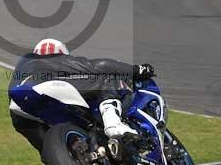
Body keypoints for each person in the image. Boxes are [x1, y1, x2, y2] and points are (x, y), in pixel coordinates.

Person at [9, 38, 155, 152]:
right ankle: (113, 124)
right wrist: (136, 70)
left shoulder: (22, 69)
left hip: (18, 109)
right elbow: (96, 66)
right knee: (105, 80)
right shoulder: (51, 60)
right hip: (43, 90)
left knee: (48, 151)